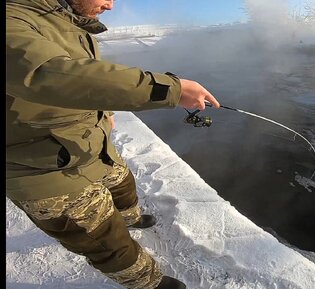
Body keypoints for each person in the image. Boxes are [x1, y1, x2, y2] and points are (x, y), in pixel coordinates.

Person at [6, 0, 220, 288]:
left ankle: (130, 218)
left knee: (122, 182)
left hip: (86, 144)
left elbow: (82, 75)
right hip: (40, 169)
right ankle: (148, 282)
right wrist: (172, 89)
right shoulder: (12, 17)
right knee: (106, 242)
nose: (110, 5)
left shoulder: (63, 20)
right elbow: (48, 73)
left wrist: (103, 112)